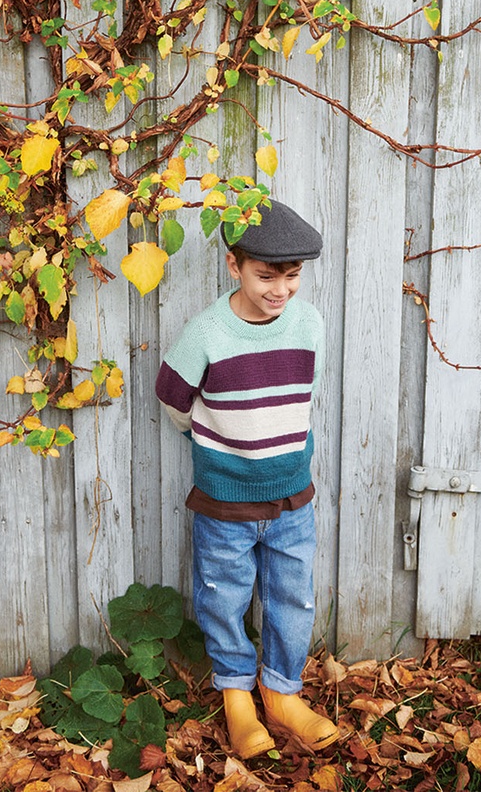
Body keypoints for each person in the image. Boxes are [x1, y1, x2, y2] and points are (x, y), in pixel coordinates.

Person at [155, 200, 339, 759]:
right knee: (222, 596)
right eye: (266, 276)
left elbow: (305, 392)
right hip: (224, 501)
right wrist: (217, 443)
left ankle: (281, 692)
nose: (280, 289)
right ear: (234, 266)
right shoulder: (207, 332)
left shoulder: (308, 324)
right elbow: (173, 398)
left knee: (292, 596)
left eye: (292, 276)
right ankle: (237, 697)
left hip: (291, 496)